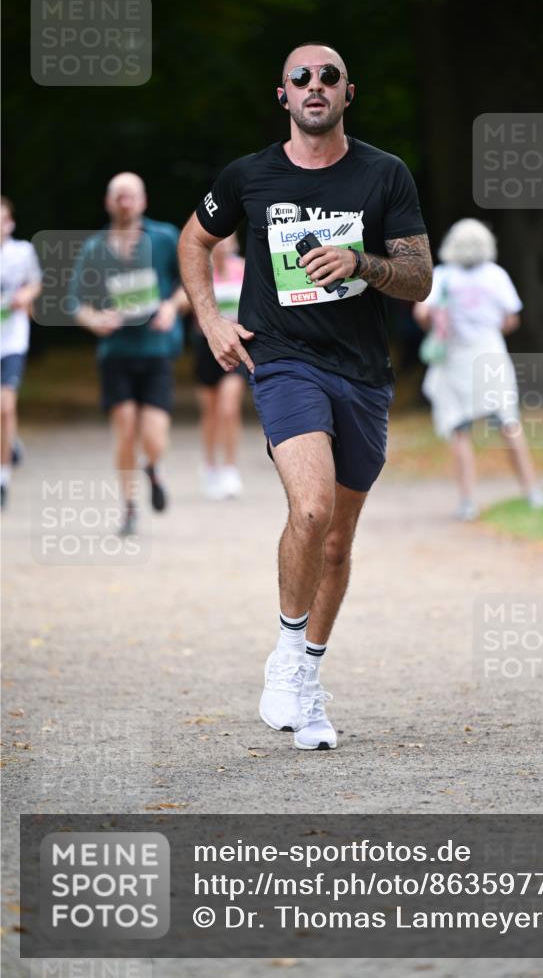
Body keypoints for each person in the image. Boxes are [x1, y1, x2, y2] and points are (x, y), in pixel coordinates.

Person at [178, 41, 432, 750]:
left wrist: (362, 262)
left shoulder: (384, 175)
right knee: (311, 506)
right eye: (301, 78)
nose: (314, 86)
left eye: (329, 77)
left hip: (362, 373)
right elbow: (194, 243)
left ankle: (308, 676)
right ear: (282, 95)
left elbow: (418, 278)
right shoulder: (247, 176)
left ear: (348, 93)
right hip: (282, 361)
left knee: (336, 541)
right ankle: (288, 656)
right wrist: (209, 319)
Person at [68, 172, 188, 534]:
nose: (124, 202)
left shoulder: (165, 238)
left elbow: (190, 283)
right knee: (124, 431)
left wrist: (171, 308)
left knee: (153, 436)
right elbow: (76, 302)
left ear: (143, 200)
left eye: (130, 195)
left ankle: (153, 467)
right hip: (116, 351)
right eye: (118, 196)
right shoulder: (94, 248)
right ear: (108, 202)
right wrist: (95, 320)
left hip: (156, 350)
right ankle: (130, 506)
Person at [413, 218, 543, 521]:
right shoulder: (496, 275)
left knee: (459, 430)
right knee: (508, 423)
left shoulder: (443, 276)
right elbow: (512, 318)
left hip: (454, 357)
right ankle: (531, 490)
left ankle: (467, 501)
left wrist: (438, 325)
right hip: (490, 355)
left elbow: (422, 312)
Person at [192, 234, 246, 499]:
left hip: (236, 349)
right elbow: (184, 297)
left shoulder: (243, 269)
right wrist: (169, 308)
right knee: (210, 412)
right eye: (218, 241)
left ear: (234, 245)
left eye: (228, 241)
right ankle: (210, 466)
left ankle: (230, 469)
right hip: (206, 347)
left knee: (229, 407)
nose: (223, 245)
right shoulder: (201, 271)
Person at [0, 196, 42, 509]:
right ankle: (10, 442)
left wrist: (24, 295)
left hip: (12, 340)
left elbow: (36, 283)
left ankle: (3, 476)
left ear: (10, 223)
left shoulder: (22, 251)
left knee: (5, 407)